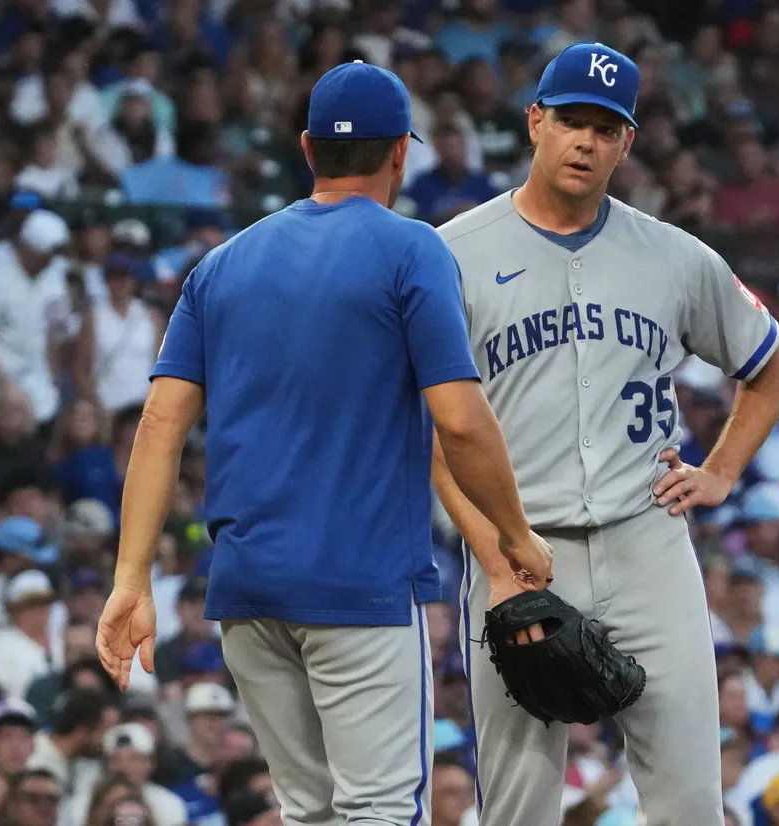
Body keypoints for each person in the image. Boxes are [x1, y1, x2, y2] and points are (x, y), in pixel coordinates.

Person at [95, 60, 551, 826]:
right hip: (360, 585)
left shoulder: (219, 265)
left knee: (307, 813)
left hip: (248, 593)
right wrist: (514, 535)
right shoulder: (412, 250)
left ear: (308, 149)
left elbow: (159, 422)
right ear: (401, 152)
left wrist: (131, 577)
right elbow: (463, 421)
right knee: (375, 812)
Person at [433, 42, 779, 826]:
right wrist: (492, 554)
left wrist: (723, 468)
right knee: (519, 807)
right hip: (519, 554)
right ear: (536, 122)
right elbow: (423, 429)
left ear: (627, 142)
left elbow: (772, 366)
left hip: (647, 542)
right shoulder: (451, 253)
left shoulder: (673, 256)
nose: (586, 142)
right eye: (571, 122)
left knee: (692, 800)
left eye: (606, 128)